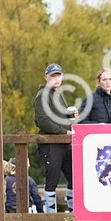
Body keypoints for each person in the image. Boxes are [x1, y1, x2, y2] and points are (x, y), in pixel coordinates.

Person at [33, 63, 75, 213]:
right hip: (50, 142)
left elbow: (57, 117)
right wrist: (64, 132)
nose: (56, 79)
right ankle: (50, 215)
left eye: (58, 76)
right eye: (53, 76)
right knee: (53, 178)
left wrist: (69, 116)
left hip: (63, 142)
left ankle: (72, 211)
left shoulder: (58, 93)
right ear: (46, 77)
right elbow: (43, 121)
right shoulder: (42, 96)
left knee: (73, 176)